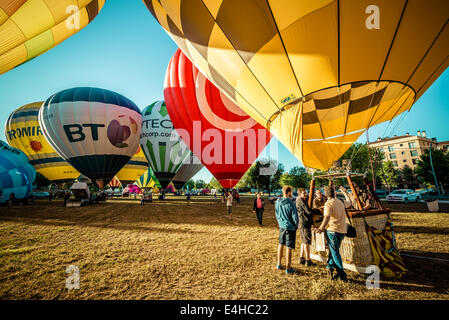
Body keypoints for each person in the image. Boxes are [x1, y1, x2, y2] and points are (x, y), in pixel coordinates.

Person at [315, 186, 351, 281]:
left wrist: (321, 228)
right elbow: (350, 203)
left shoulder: (328, 203)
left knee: (335, 252)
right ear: (334, 193)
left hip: (332, 230)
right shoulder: (341, 202)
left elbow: (326, 217)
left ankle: (342, 274)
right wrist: (345, 193)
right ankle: (329, 268)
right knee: (333, 250)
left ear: (325, 195)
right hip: (342, 230)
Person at [275, 185, 299, 275]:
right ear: (289, 192)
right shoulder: (291, 204)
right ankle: (288, 268)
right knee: (289, 247)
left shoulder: (277, 201)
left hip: (281, 226)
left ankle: (279, 264)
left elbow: (276, 214)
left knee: (281, 244)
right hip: (290, 228)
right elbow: (295, 218)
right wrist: (296, 226)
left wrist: (280, 222)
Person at [296, 188, 316, 267]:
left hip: (302, 223)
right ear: (300, 193)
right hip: (304, 222)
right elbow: (308, 211)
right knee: (306, 242)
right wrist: (316, 210)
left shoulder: (300, 200)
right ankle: (308, 260)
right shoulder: (301, 201)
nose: (306, 194)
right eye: (304, 193)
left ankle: (301, 258)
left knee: (303, 241)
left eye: (306, 192)